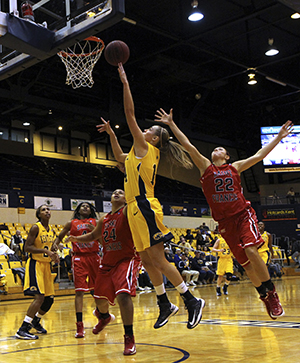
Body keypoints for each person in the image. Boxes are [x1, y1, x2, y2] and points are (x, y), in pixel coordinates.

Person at [155, 108, 293, 319]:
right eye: (215, 149)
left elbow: (260, 154)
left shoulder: (235, 167)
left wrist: (279, 137)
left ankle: (272, 293)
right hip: (225, 223)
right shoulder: (205, 168)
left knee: (252, 251)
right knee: (246, 266)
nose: (216, 150)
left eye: (220, 149)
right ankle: (262, 294)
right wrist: (172, 124)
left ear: (227, 156)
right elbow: (189, 147)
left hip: (243, 214)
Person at [96, 63, 205, 330]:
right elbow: (119, 157)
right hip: (134, 210)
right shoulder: (135, 155)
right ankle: (164, 303)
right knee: (145, 259)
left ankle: (191, 300)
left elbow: (130, 114)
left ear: (154, 140)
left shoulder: (146, 148)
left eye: (149, 131)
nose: (143, 130)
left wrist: (125, 83)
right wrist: (111, 134)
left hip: (145, 206)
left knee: (158, 259)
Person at [69, 189, 140, 355]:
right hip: (108, 261)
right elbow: (94, 235)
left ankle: (129, 337)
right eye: (114, 192)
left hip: (126, 258)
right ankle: (104, 317)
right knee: (99, 298)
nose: (116, 193)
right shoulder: (105, 218)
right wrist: (76, 239)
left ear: (126, 198)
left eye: (121, 192)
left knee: (123, 295)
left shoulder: (128, 210)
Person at [54, 202, 100, 338]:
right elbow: (60, 236)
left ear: (91, 210)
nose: (85, 207)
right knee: (79, 292)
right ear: (78, 209)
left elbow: (103, 239)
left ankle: (102, 315)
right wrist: (55, 246)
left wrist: (95, 230)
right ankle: (79, 325)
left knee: (97, 290)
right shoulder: (71, 223)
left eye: (87, 206)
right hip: (79, 258)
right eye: (82, 206)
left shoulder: (96, 222)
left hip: (94, 256)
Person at [15, 205, 59, 340]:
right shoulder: (36, 227)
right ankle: (23, 328)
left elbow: (49, 248)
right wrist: (45, 251)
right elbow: (27, 247)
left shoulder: (51, 230)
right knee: (39, 297)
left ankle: (35, 321)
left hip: (46, 266)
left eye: (48, 209)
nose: (47, 211)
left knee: (49, 300)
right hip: (35, 265)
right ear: (39, 214)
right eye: (43, 210)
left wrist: (54, 253)